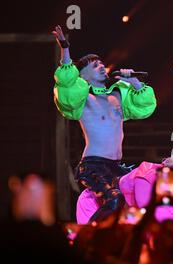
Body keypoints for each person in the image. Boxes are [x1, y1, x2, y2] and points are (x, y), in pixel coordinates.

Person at [52, 25, 157, 222]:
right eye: (94, 65)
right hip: (93, 166)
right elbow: (66, 82)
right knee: (114, 200)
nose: (101, 66)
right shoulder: (84, 100)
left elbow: (145, 106)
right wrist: (65, 49)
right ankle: (86, 239)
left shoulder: (117, 96)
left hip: (116, 166)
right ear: (82, 76)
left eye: (101, 63)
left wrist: (134, 81)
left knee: (145, 195)